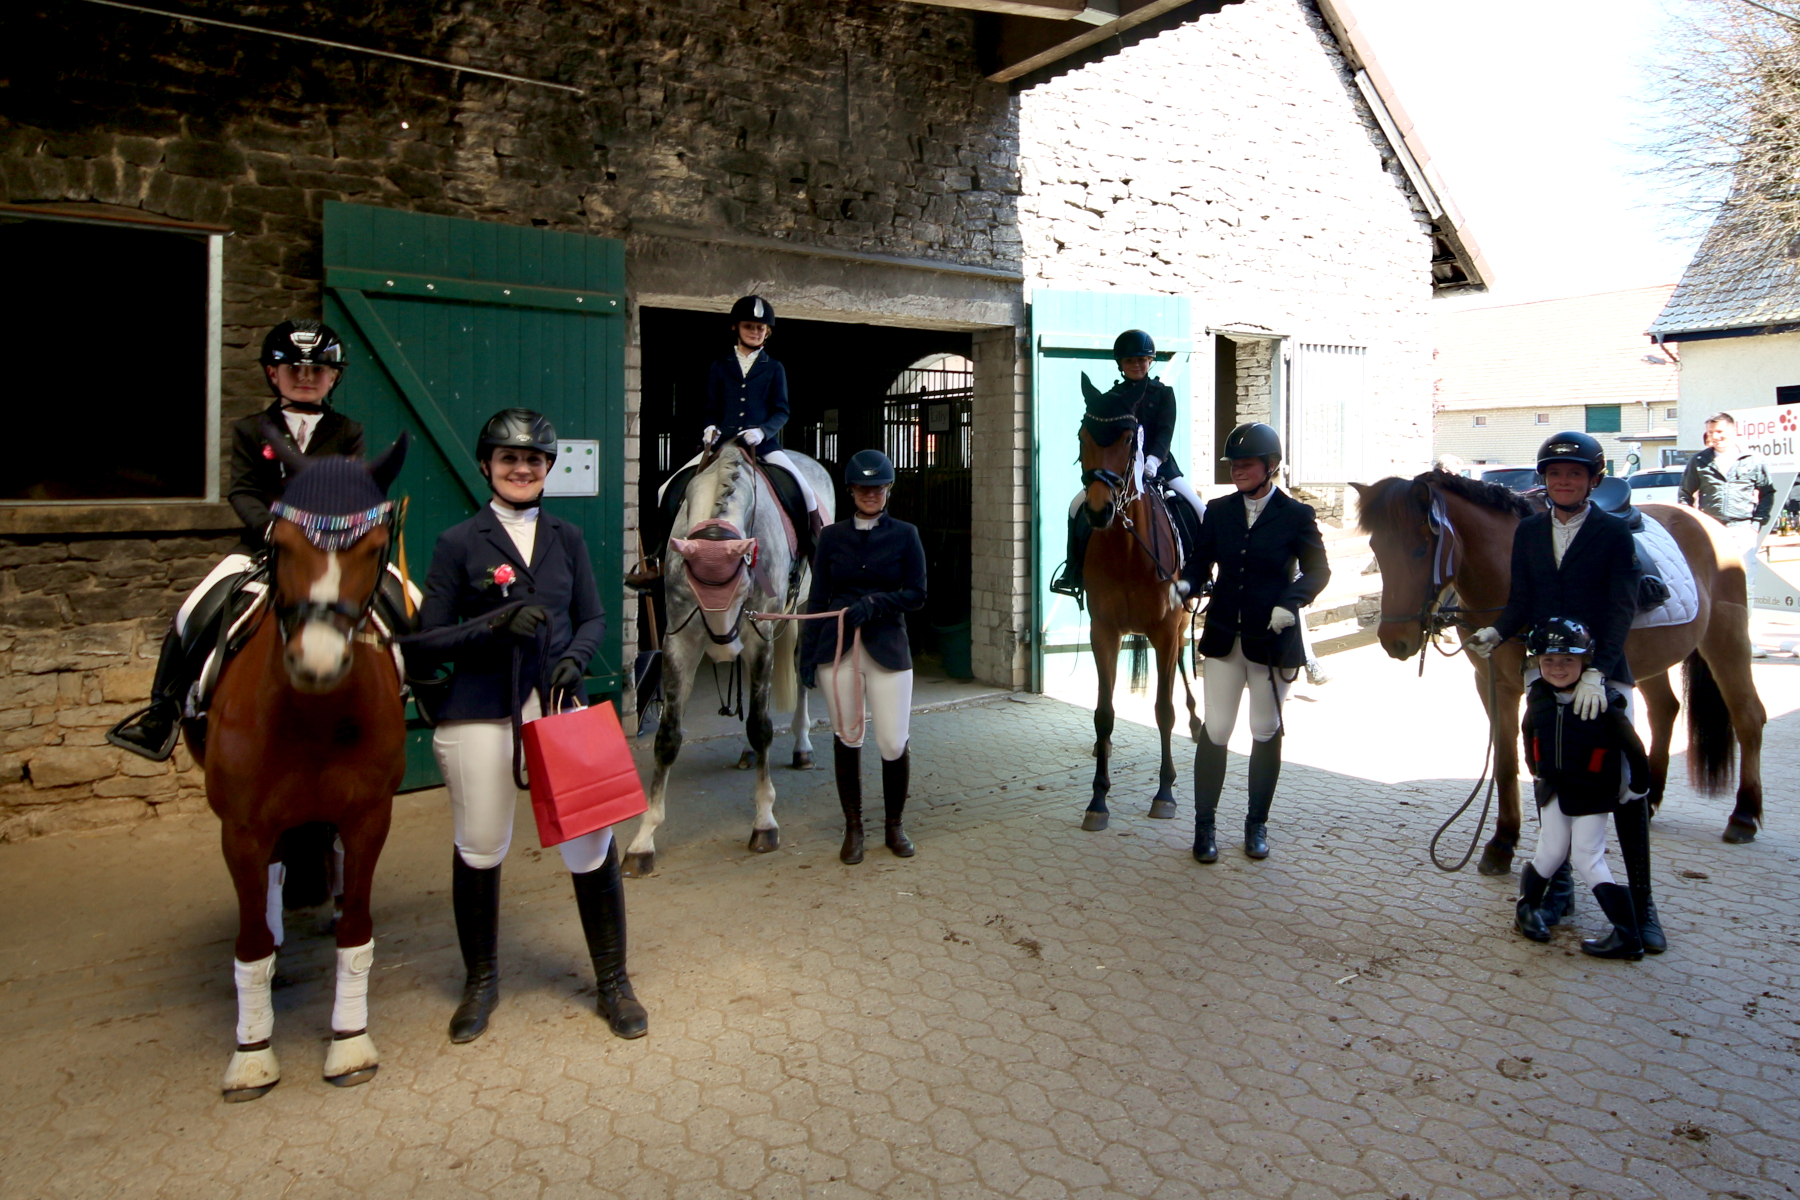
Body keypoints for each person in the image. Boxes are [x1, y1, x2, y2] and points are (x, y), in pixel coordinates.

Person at [406, 408, 646, 1044]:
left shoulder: (567, 536)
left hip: (558, 706)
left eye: (534, 460)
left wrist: (574, 659)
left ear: (547, 469)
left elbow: (593, 616)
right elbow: (424, 642)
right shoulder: (458, 543)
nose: (521, 468)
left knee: (591, 846)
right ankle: (480, 980)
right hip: (482, 706)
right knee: (481, 844)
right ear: (487, 466)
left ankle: (614, 980)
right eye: (508, 458)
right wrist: (491, 624)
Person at [108, 318, 365, 760]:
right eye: (294, 370)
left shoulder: (347, 432)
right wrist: (270, 529)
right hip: (260, 546)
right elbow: (242, 490)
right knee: (193, 608)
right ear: (272, 374)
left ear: (333, 377)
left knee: (401, 596)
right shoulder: (250, 429)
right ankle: (160, 712)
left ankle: (419, 682)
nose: (305, 379)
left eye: (316, 371)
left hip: (327, 550)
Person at [1470, 430, 1665, 953]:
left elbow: (1621, 608)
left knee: (1620, 783)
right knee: (1549, 772)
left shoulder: (1612, 532)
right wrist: (1497, 631)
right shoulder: (1530, 532)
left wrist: (1600, 672)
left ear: (1593, 481)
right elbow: (1522, 599)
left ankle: (1643, 909)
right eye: (1555, 474)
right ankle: (1557, 892)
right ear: (1544, 480)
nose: (1563, 481)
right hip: (1547, 668)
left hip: (1598, 671)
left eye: (1574, 474)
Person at [1188, 423, 1330, 862]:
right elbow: (1199, 562)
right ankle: (1204, 826)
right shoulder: (1219, 510)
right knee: (1216, 729)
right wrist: (1185, 585)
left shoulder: (1296, 515)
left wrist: (1291, 602)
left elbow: (1318, 570)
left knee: (1264, 730)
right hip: (1224, 637)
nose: (1238, 471)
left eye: (1247, 465)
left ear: (1271, 466)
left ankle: (1256, 824)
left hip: (1271, 642)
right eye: (1234, 465)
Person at [801, 449, 928, 865]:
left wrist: (875, 604)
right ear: (851, 490)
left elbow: (917, 594)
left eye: (877, 487)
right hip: (837, 651)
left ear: (889, 489)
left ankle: (894, 826)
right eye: (862, 487)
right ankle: (853, 827)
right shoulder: (832, 538)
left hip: (887, 647)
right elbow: (817, 596)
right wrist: (806, 652)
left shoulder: (906, 534)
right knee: (847, 736)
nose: (870, 494)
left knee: (892, 740)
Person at [1513, 618, 1651, 960]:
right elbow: (1528, 736)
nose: (1557, 668)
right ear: (1537, 662)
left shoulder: (1606, 701)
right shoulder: (1539, 698)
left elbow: (1633, 747)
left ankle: (1628, 934)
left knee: (1588, 857)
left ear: (1584, 663)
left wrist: (1637, 784)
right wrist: (1536, 771)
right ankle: (1526, 909)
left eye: (1567, 661)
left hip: (1591, 794)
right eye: (1548, 661)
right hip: (1554, 790)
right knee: (1550, 851)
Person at [1050, 329, 1206, 600]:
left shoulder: (1164, 393)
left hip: (1160, 468)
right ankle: (1073, 570)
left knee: (1200, 510)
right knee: (1076, 508)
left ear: (1150, 362)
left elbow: (1165, 432)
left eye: (1142, 360)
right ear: (1120, 364)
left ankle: (1200, 576)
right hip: (1119, 471)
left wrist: (1153, 461)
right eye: (1130, 360)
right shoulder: (1112, 397)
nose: (1137, 365)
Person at [1681, 411, 1773, 647]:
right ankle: (1709, 637)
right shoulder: (1700, 461)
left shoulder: (1753, 460)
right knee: (1708, 583)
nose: (1715, 437)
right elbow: (1684, 495)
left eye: (1720, 431)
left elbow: (1767, 493)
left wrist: (1755, 526)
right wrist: (1693, 523)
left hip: (1742, 529)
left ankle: (1743, 638)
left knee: (1743, 584)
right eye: (1711, 432)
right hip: (1710, 530)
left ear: (1733, 432)